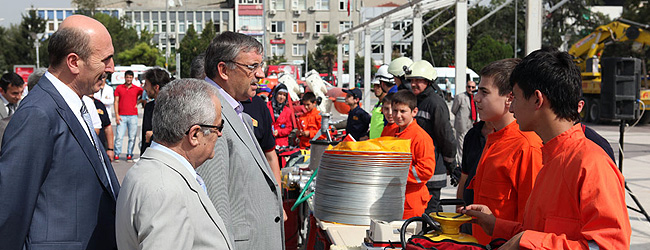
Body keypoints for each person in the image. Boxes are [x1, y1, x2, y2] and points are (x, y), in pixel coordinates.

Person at [461, 49, 631, 249]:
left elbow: (609, 246)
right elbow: (538, 232)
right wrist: (497, 226)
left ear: (537, 99)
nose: (512, 108)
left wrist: (525, 241)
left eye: (515, 97)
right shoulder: (552, 156)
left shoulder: (590, 163)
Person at [0, 15, 119, 250]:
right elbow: (11, 208)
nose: (111, 67)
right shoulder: (38, 113)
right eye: (105, 59)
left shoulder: (75, 103)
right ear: (73, 62)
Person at [116, 79, 232, 250]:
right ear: (195, 135)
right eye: (218, 126)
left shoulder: (155, 172)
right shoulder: (164, 188)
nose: (220, 134)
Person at [196, 31, 284, 250]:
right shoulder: (209, 113)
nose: (261, 74)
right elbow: (215, 203)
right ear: (224, 70)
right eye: (252, 66)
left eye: (260, 65)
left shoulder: (237, 111)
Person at [465, 58, 543, 245]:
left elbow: (533, 226)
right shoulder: (494, 138)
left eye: (484, 92)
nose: (476, 98)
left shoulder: (527, 146)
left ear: (510, 97)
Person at [405, 60, 459, 214]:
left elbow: (446, 136)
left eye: (418, 80)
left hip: (432, 172)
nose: (414, 84)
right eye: (412, 80)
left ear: (428, 81)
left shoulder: (435, 104)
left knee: (430, 215)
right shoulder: (417, 101)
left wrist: (451, 163)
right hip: (419, 171)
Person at [387, 90, 436, 219]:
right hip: (392, 197)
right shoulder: (390, 131)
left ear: (414, 112)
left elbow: (425, 171)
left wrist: (395, 171)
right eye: (395, 110)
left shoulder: (420, 137)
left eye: (403, 111)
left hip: (411, 201)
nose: (398, 115)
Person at [114, 70, 143, 162]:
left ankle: (129, 154)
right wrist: (116, 115)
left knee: (132, 136)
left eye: (130, 77)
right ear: (125, 77)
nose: (129, 79)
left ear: (133, 78)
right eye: (127, 77)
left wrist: (138, 103)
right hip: (122, 115)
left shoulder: (137, 89)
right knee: (119, 136)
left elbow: (144, 95)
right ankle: (117, 154)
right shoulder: (119, 88)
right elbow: (116, 101)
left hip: (133, 116)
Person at [140, 68, 171, 155]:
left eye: (146, 84)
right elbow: (145, 136)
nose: (144, 88)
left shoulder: (173, 107)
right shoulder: (149, 107)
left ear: (156, 87)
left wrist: (154, 135)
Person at [451, 80, 478, 160]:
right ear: (466, 87)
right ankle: (460, 163)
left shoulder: (476, 97)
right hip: (462, 125)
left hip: (472, 124)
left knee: (470, 144)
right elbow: (454, 110)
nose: (470, 89)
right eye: (469, 87)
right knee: (461, 145)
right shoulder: (460, 97)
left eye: (473, 87)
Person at [267, 83, 296, 148]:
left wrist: (279, 131)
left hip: (281, 144)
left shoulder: (288, 111)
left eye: (284, 95)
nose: (282, 97)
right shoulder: (267, 106)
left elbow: (289, 128)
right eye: (280, 94)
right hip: (268, 141)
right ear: (275, 94)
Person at [369, 65, 393, 139]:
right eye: (375, 86)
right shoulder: (377, 104)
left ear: (383, 84)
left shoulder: (389, 105)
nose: (376, 89)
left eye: (378, 86)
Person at [91, 94, 115, 161]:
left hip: (101, 147)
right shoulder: (79, 104)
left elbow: (107, 127)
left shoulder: (99, 104)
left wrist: (110, 149)